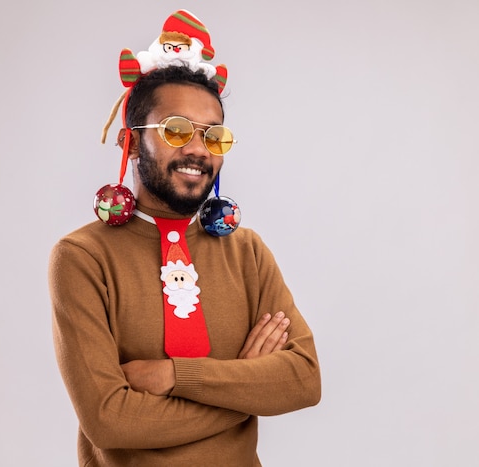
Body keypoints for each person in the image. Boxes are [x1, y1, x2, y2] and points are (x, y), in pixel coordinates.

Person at [49, 11, 320, 466]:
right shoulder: (82, 258)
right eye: (175, 130)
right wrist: (244, 387)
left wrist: (176, 376)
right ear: (131, 144)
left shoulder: (247, 251)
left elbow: (304, 381)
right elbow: (110, 420)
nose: (198, 149)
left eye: (213, 136)